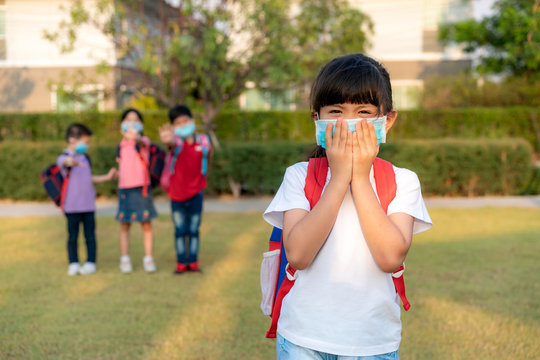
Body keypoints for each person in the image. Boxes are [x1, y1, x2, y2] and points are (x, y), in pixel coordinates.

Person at [263, 53, 433, 359]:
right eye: (336, 111)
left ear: (387, 120)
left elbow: (391, 257)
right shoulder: (299, 176)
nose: (348, 123)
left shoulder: (402, 181)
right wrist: (339, 178)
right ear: (317, 119)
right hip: (302, 339)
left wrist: (360, 179)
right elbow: (298, 255)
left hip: (372, 343)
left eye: (364, 111)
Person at [57, 123, 116, 276]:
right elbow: (65, 162)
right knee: (72, 237)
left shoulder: (86, 157)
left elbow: (88, 178)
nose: (86, 145)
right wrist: (72, 161)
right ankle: (73, 263)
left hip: (88, 205)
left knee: (90, 236)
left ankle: (91, 262)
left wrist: (106, 177)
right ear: (72, 140)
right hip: (71, 207)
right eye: (85, 142)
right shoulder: (63, 157)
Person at [159, 105, 212, 274]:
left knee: (194, 229)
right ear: (173, 126)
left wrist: (205, 179)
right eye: (178, 123)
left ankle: (193, 262)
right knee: (181, 230)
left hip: (196, 193)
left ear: (192, 121)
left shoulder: (203, 140)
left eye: (185, 121)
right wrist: (167, 139)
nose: (182, 125)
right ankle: (181, 262)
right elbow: (170, 144)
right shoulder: (176, 142)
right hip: (176, 194)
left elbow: (209, 158)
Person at [116, 108, 158, 273]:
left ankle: (148, 258)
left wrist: (136, 138)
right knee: (125, 225)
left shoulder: (144, 141)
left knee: (146, 224)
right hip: (125, 189)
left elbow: (142, 143)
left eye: (135, 120)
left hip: (142, 188)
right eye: (128, 120)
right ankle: (124, 258)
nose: (132, 123)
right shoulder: (121, 146)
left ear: (141, 124)